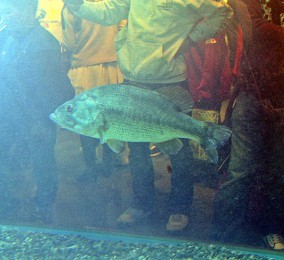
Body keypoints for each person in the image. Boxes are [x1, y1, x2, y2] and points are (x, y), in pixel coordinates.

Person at [65, 0, 232, 231]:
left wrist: (192, 38)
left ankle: (180, 208)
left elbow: (221, 11)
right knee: (137, 149)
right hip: (134, 78)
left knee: (179, 149)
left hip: (171, 78)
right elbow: (110, 10)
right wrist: (79, 5)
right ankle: (142, 204)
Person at [0, 0, 74, 223]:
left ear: (28, 11)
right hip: (11, 116)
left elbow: (53, 89)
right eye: (2, 12)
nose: (4, 17)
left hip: (36, 118)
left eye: (8, 11)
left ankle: (44, 208)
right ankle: (8, 199)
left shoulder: (43, 44)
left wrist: (42, 120)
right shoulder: (9, 37)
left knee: (42, 163)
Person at [210, 0, 284, 250]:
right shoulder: (243, 4)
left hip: (277, 96)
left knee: (276, 169)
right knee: (241, 169)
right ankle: (222, 234)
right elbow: (254, 26)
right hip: (251, 94)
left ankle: (269, 229)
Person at [61, 1, 123, 180]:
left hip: (84, 69)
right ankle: (109, 164)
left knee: (84, 119)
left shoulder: (73, 5)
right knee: (111, 118)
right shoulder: (111, 3)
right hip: (113, 67)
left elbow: (69, 42)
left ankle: (91, 168)